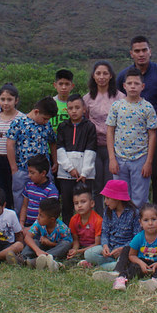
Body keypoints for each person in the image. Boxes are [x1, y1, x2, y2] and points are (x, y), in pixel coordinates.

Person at [116, 36, 157, 200]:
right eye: (137, 51)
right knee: (130, 180)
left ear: (150, 51)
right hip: (130, 135)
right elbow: (116, 103)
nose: (141, 54)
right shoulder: (124, 76)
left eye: (144, 50)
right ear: (131, 53)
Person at [106, 70, 157, 208]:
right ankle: (123, 226)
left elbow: (152, 135)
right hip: (119, 158)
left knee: (140, 197)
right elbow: (110, 131)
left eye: (136, 83)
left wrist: (149, 162)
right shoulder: (117, 106)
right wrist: (112, 158)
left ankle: (139, 226)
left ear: (143, 86)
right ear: (124, 86)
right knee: (119, 196)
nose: (133, 86)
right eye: (129, 83)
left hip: (140, 158)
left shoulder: (148, 107)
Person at [83, 61, 124, 212]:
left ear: (111, 76)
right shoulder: (87, 99)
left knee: (110, 186)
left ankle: (111, 219)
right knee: (96, 186)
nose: (101, 77)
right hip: (94, 147)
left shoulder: (120, 97)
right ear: (93, 76)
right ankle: (98, 221)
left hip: (113, 148)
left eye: (105, 73)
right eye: (98, 73)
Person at [6, 96, 57, 212]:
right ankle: (21, 225)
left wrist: (55, 161)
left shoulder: (46, 125)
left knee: (46, 198)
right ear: (36, 111)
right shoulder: (18, 122)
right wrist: (14, 168)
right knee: (20, 198)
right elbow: (10, 144)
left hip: (44, 169)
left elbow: (53, 142)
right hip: (23, 169)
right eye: (44, 118)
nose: (46, 121)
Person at [111, 204, 157, 291]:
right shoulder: (138, 237)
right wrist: (141, 263)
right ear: (140, 222)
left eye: (154, 219)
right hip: (142, 262)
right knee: (133, 268)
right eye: (146, 220)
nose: (150, 223)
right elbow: (132, 255)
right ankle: (121, 279)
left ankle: (155, 281)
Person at [55, 93, 96, 223]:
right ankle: (67, 233)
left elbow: (91, 150)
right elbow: (60, 150)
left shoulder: (89, 126)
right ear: (66, 110)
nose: (74, 111)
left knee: (85, 204)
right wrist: (70, 168)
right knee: (67, 205)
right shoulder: (62, 127)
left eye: (77, 108)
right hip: (66, 174)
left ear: (84, 109)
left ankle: (86, 233)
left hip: (85, 175)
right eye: (71, 108)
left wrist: (84, 172)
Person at [87, 179, 141, 273]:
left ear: (117, 198)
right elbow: (105, 232)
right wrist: (105, 246)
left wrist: (123, 248)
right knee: (89, 254)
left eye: (108, 198)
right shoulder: (108, 212)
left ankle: (102, 267)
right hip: (110, 247)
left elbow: (137, 237)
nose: (105, 202)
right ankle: (112, 265)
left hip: (125, 251)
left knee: (124, 260)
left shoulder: (134, 213)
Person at [0, 83, 21, 211]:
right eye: (2, 99)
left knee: (14, 189)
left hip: (13, 161)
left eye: (9, 99)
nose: (5, 103)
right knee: (1, 190)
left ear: (16, 100)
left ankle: (15, 217)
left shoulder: (21, 118)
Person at [20, 197, 72, 270]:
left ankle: (40, 260)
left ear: (52, 219)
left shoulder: (62, 228)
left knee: (66, 244)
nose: (38, 217)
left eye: (41, 215)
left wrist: (51, 244)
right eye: (38, 214)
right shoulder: (39, 223)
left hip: (54, 250)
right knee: (34, 241)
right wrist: (38, 250)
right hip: (42, 249)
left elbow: (69, 245)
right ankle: (23, 258)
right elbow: (27, 237)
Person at [18, 154, 59, 228]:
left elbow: (49, 213)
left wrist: (32, 229)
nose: (29, 175)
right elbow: (25, 205)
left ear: (43, 173)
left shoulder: (51, 190)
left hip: (43, 227)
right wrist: (21, 223)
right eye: (29, 172)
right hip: (27, 224)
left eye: (32, 173)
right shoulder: (29, 185)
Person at [67, 183, 102, 267]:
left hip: (94, 248)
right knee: (69, 259)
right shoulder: (74, 219)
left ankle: (87, 263)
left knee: (91, 255)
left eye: (83, 202)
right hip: (81, 247)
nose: (79, 205)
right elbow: (76, 240)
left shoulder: (98, 220)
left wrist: (79, 251)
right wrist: (74, 250)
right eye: (76, 203)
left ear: (92, 203)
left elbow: (97, 243)